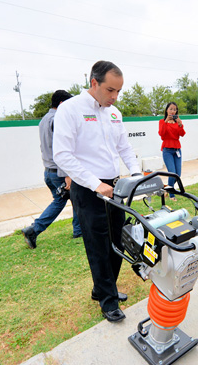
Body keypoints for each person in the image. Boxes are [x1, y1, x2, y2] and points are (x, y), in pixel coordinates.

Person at [52, 61, 141, 323]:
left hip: (114, 187)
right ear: (94, 83)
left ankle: (103, 288)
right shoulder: (71, 109)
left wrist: (135, 174)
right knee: (98, 245)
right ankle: (108, 300)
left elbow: (124, 147)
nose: (114, 97)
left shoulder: (114, 113)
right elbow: (62, 155)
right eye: (110, 90)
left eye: (119, 92)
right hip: (88, 187)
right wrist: (95, 183)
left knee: (119, 240)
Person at [22, 90, 82, 249]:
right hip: (60, 172)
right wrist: (68, 174)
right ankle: (34, 229)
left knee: (74, 199)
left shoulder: (44, 120)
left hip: (49, 171)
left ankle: (79, 230)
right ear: (62, 104)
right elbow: (61, 149)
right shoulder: (57, 120)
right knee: (66, 200)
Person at [158, 102, 185, 201]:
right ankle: (171, 194)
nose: (173, 111)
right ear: (167, 110)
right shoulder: (162, 122)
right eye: (171, 109)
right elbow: (162, 134)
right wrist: (166, 122)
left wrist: (180, 124)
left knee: (178, 174)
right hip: (167, 150)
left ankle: (167, 189)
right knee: (172, 173)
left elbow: (182, 134)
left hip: (177, 149)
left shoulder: (177, 122)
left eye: (175, 109)